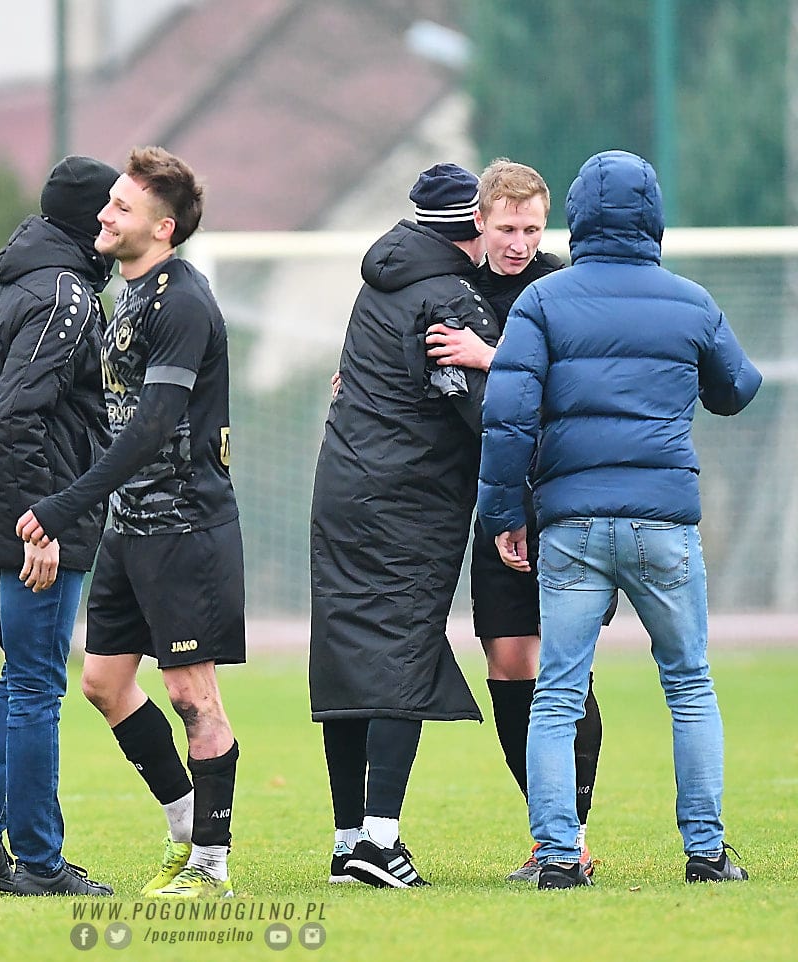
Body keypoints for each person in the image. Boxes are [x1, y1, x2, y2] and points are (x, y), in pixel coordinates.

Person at [478, 149, 760, 889]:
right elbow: (736, 389)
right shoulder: (690, 302)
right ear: (653, 217)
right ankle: (706, 853)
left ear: (578, 217)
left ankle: (558, 857)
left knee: (557, 692)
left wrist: (505, 513)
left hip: (571, 523)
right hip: (664, 521)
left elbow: (507, 415)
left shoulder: (543, 301)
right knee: (689, 684)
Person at [16, 146, 244, 899]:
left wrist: (62, 505)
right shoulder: (131, 295)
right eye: (109, 201)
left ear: (163, 226)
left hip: (184, 526)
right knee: (104, 682)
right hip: (132, 525)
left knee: (193, 697)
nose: (105, 215)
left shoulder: (183, 302)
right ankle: (186, 827)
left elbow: (151, 429)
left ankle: (211, 866)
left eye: (122, 206)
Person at [309, 163, 498, 888]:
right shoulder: (452, 298)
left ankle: (346, 841)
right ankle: (381, 842)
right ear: (472, 224)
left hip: (341, 487)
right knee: (401, 652)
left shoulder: (380, 285)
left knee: (347, 653)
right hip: (409, 499)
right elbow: (485, 411)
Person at [0, 155, 119, 897]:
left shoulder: (10, 281)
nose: (119, 220)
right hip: (35, 518)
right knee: (39, 685)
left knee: (22, 676)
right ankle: (42, 862)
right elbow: (16, 411)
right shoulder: (65, 294)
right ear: (89, 218)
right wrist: (41, 523)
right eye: (112, 208)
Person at [425, 158, 604, 882]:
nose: (520, 243)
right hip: (496, 501)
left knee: (566, 665)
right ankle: (548, 826)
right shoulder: (455, 288)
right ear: (481, 221)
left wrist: (487, 355)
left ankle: (571, 836)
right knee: (505, 659)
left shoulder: (561, 285)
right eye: (507, 228)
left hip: (563, 501)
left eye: (532, 228)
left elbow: (577, 384)